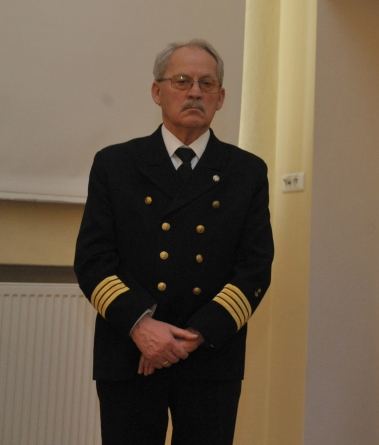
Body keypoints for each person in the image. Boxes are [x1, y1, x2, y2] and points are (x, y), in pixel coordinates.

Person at [74, 39, 274, 445]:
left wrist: (196, 334)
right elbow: (93, 260)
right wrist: (141, 326)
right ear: (157, 91)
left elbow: (255, 267)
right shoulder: (115, 164)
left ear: (220, 98)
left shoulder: (247, 172)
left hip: (210, 354)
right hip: (130, 350)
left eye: (207, 83)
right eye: (182, 81)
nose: (195, 92)